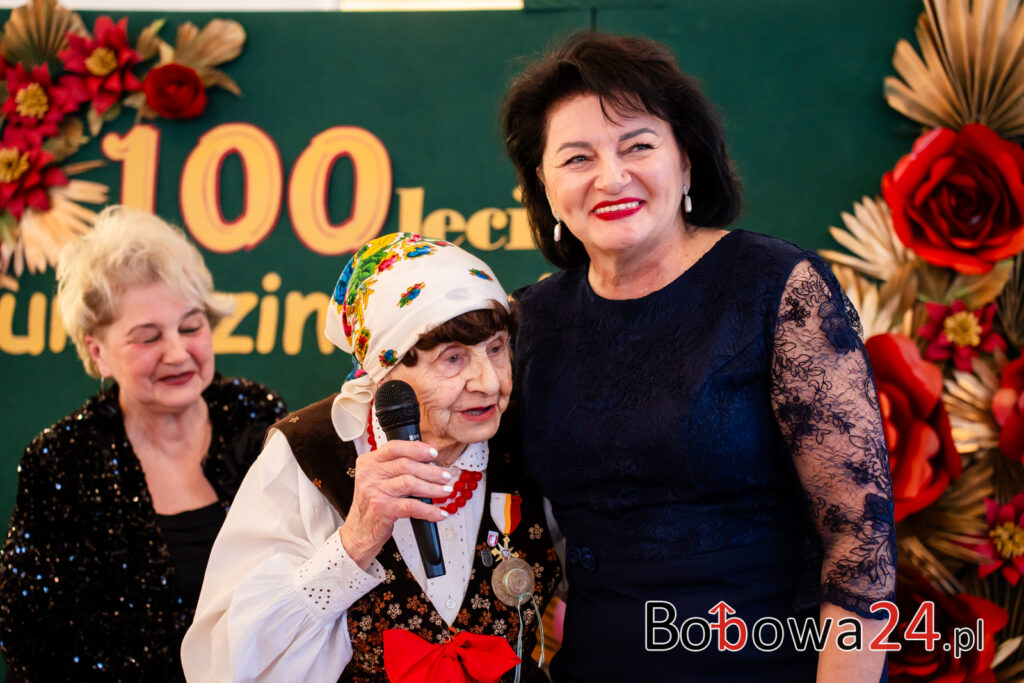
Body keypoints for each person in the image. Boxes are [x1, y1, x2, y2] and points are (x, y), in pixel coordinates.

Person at [501, 31, 896, 682]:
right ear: (543, 184)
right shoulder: (531, 321)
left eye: (638, 145)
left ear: (686, 160)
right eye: (576, 158)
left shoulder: (776, 286)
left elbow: (861, 544)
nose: (611, 177)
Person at [182, 232, 562, 682]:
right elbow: (228, 664)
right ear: (386, 372)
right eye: (453, 359)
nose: (490, 382)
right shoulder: (310, 452)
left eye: (496, 348)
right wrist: (355, 541)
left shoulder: (530, 436)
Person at [0, 206, 287, 680]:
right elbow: (31, 640)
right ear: (98, 352)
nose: (177, 352)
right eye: (148, 338)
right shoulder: (62, 461)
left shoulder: (256, 415)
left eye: (191, 327)